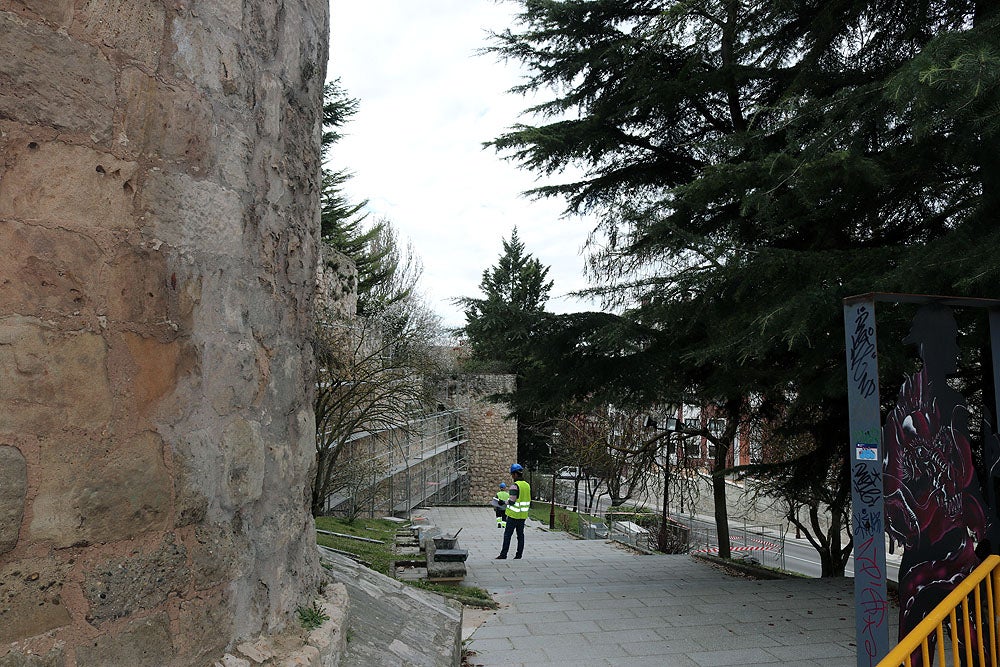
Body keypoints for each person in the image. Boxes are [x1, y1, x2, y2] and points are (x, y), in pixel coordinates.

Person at [496, 463, 531, 559]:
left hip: (513, 515)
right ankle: (519, 555)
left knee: (507, 535)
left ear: (515, 474)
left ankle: (503, 554)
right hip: (523, 515)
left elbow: (511, 501)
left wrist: (502, 502)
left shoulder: (514, 486)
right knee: (520, 535)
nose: (512, 477)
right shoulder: (527, 485)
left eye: (512, 475)